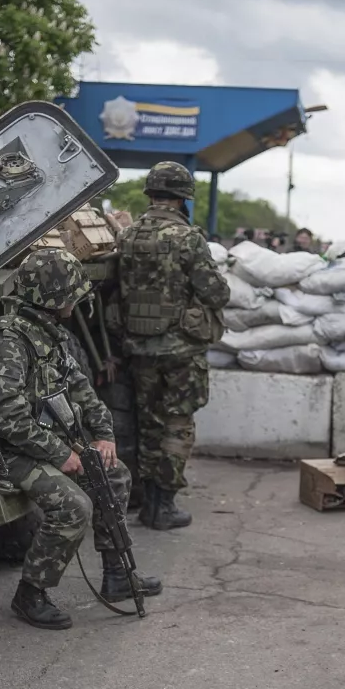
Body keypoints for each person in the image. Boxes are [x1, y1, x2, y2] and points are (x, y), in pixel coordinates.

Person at [0, 248, 163, 629]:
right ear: (54, 297)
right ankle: (30, 593)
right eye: (71, 292)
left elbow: (83, 392)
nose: (76, 300)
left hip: (37, 441)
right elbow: (5, 416)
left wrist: (104, 436)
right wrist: (57, 453)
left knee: (114, 474)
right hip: (2, 449)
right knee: (74, 506)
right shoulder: (6, 339)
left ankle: (118, 575)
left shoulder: (50, 335)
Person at [116, 162, 231, 529]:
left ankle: (146, 500)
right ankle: (162, 505)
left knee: (148, 425)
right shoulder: (187, 239)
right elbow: (216, 292)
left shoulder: (128, 236)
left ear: (150, 194)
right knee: (177, 425)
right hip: (181, 351)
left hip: (138, 348)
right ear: (183, 199)